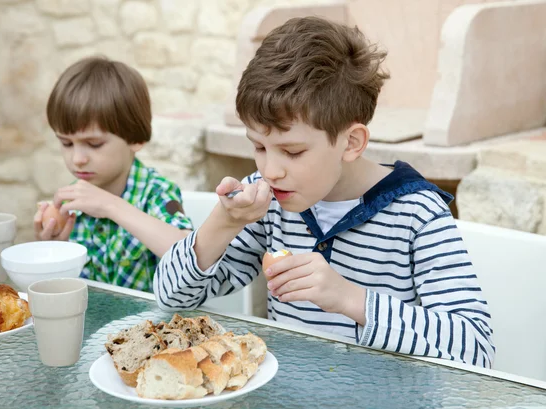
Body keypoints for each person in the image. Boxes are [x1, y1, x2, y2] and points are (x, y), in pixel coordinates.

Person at [153, 17, 494, 367]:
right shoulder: (269, 200)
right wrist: (221, 224)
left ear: (351, 142)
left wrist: (350, 299)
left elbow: (476, 348)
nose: (270, 170)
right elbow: (171, 297)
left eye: (293, 151)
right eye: (258, 147)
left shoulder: (417, 214)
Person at [34, 56, 192, 292]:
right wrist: (54, 249)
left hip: (149, 325)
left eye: (94, 144)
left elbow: (188, 253)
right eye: (66, 143)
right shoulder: (72, 201)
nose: (77, 158)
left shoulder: (156, 192)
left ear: (135, 139)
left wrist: (111, 206)